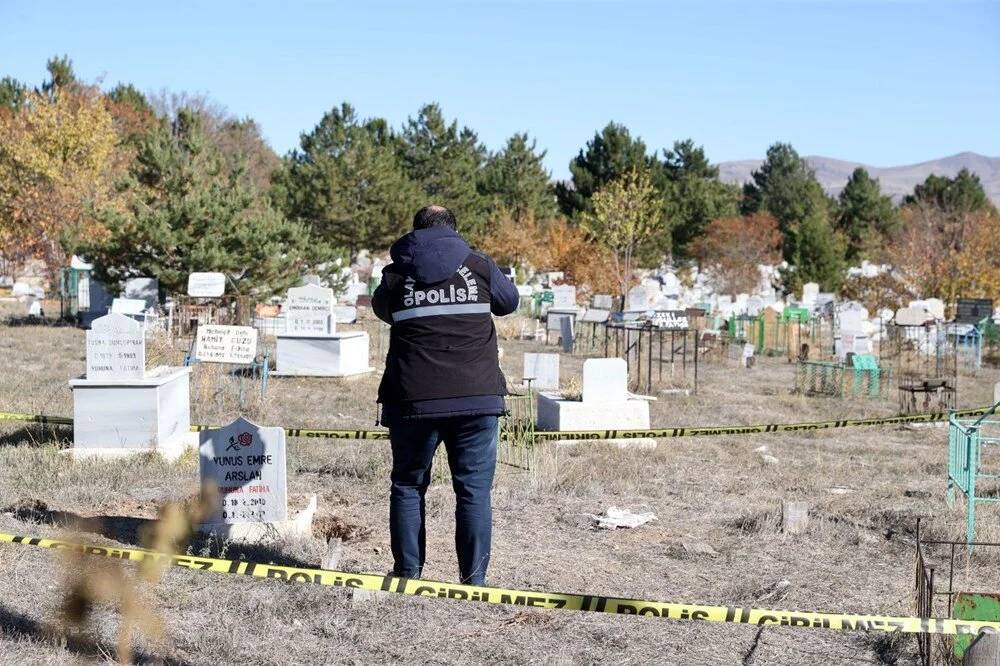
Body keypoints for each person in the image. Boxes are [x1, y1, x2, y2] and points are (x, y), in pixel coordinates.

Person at [372, 205, 519, 585]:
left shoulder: (396, 274)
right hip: (477, 398)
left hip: (413, 399)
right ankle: (474, 581)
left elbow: (383, 311)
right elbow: (509, 302)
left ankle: (407, 574)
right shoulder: (481, 265)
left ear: (415, 232)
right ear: (454, 230)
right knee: (473, 491)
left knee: (407, 485)